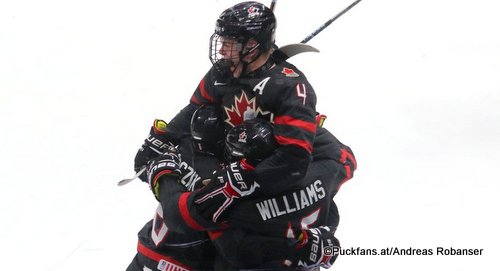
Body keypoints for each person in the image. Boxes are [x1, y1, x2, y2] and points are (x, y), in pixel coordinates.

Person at [143, 106, 356, 270]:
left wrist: (162, 176)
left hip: (171, 256)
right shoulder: (324, 182)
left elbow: (179, 214)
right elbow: (345, 159)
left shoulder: (234, 200)